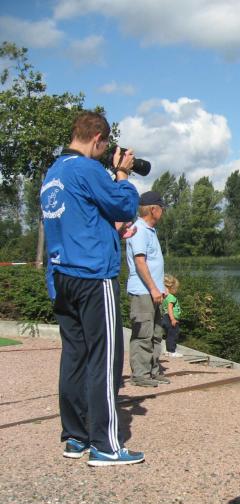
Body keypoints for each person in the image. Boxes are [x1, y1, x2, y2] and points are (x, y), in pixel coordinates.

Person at [40, 110, 144, 466]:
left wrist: (108, 233)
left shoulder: (54, 173)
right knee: (105, 358)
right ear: (98, 138)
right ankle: (106, 446)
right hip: (92, 275)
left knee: (74, 357)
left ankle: (75, 437)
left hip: (61, 275)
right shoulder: (87, 168)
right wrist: (122, 174)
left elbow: (80, 222)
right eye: (105, 145)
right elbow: (125, 205)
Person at [126, 191, 169, 387]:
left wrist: (161, 287)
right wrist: (153, 288)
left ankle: (153, 370)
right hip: (143, 292)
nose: (163, 212)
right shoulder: (139, 230)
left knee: (156, 332)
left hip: (154, 291)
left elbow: (152, 264)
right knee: (143, 333)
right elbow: (140, 262)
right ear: (153, 209)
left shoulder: (150, 230)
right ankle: (140, 375)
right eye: (162, 208)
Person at [161, 274, 183, 358]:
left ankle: (167, 351)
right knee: (173, 334)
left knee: (168, 335)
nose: (176, 290)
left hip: (165, 317)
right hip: (170, 318)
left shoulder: (165, 297)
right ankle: (172, 351)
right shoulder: (171, 297)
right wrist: (173, 319)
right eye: (175, 288)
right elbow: (170, 308)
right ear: (171, 288)